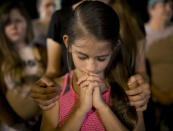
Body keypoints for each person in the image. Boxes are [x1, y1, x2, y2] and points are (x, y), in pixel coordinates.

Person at [40, 1, 145, 130]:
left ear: (114, 48)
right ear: (68, 43)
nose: (91, 67)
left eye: (101, 58)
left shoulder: (130, 88)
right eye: (82, 57)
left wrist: (102, 107)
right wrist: (81, 110)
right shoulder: (55, 91)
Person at [0, 2, 46, 130]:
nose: (13, 26)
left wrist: (43, 115)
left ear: (26, 22)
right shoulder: (1, 57)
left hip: (44, 123)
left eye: (18, 21)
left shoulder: (43, 51)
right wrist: (16, 123)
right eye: (8, 23)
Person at [144, 0, 173, 130]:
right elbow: (141, 70)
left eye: (171, 5)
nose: (169, 8)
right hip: (153, 101)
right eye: (164, 5)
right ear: (151, 9)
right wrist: (157, 93)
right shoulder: (144, 36)